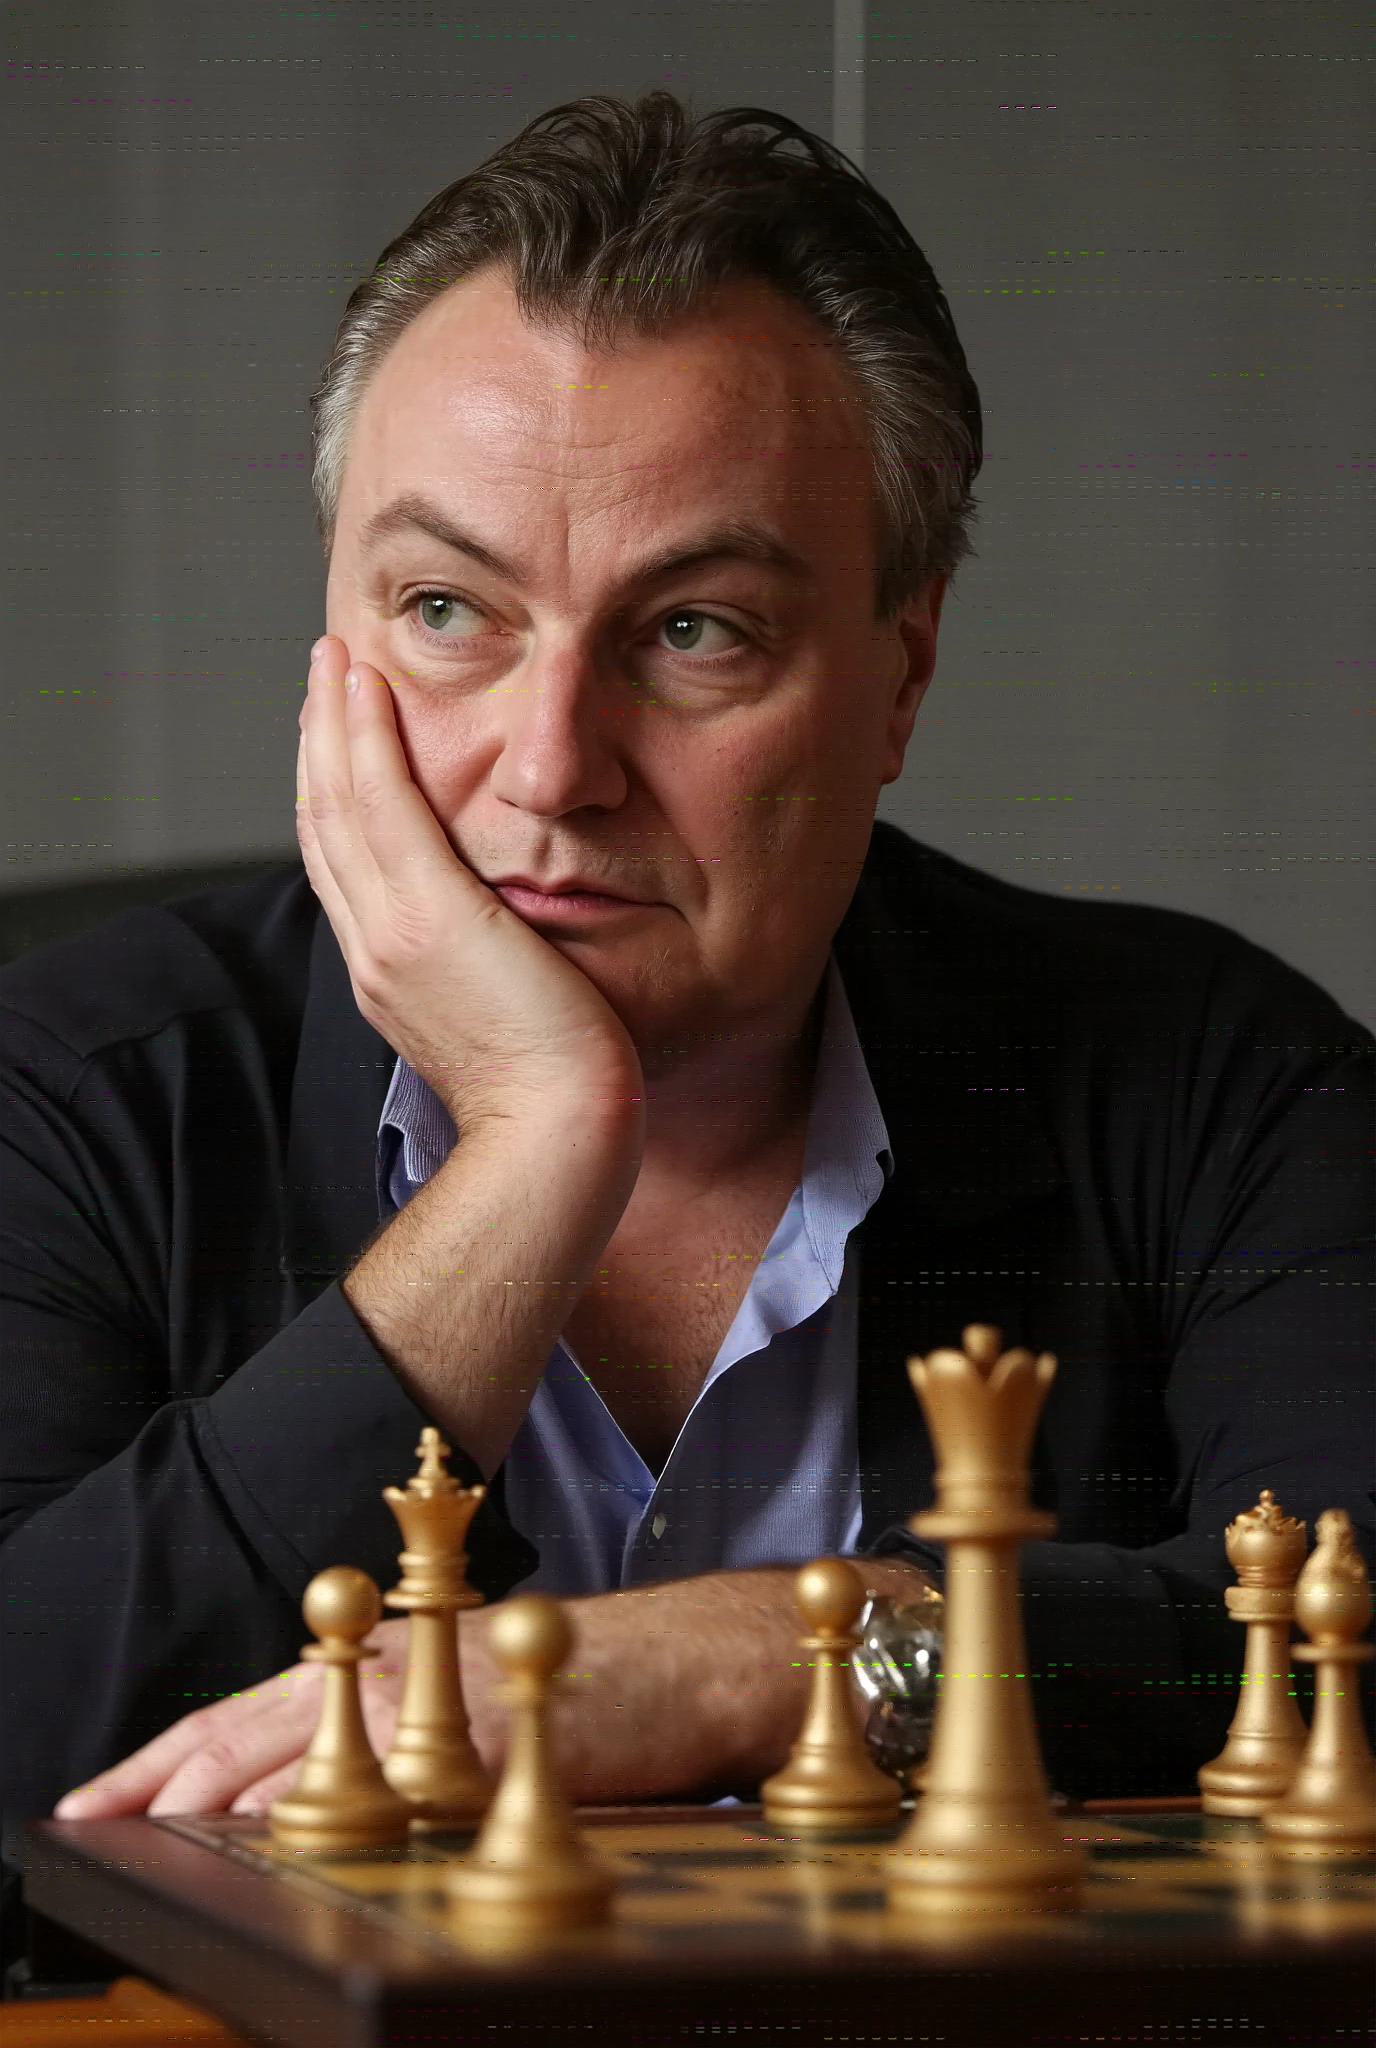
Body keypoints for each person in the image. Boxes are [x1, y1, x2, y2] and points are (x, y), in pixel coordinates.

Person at [1, 91, 1371, 1881]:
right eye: (445, 611)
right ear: (330, 630)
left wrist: (768, 1659)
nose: (553, 766)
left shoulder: (1217, 1088)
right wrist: (540, 1142)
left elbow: (1345, 1632)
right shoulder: (69, 1096)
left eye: (694, 630)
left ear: (900, 674)